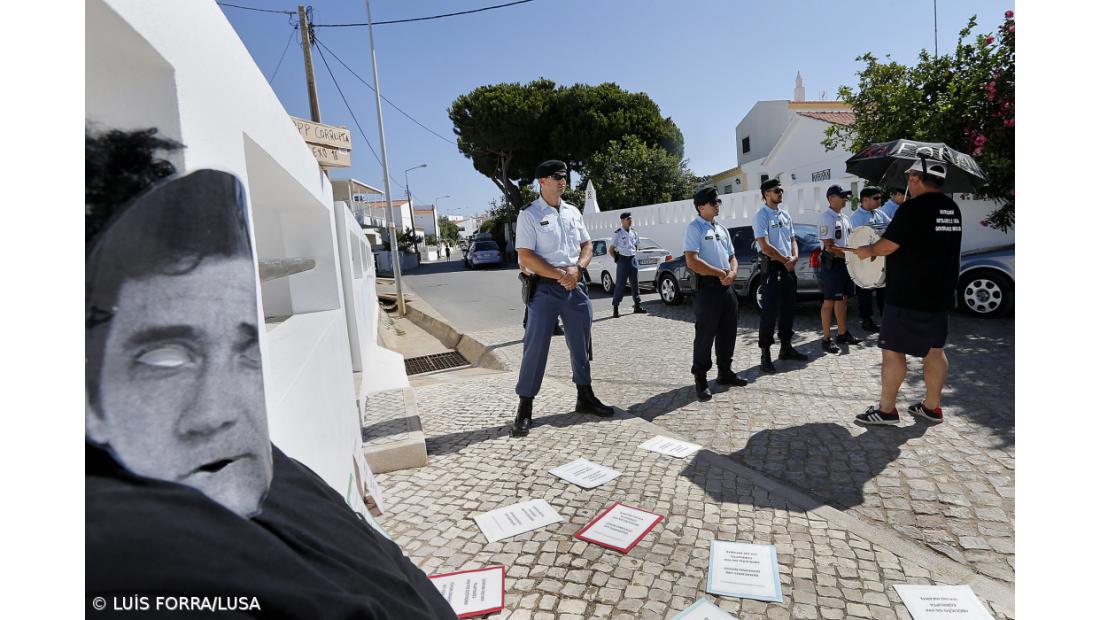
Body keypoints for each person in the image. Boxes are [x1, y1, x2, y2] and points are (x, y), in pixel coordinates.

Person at [85, 129, 457, 618]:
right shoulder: (128, 557)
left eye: (243, 350)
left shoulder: (249, 467)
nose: (221, 409)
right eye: (166, 357)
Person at [849, 159, 962, 426]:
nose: (907, 181)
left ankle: (887, 410)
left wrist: (868, 251)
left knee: (892, 351)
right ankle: (932, 407)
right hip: (942, 293)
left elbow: (887, 246)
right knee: (935, 350)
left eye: (910, 176)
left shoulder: (912, 208)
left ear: (915, 180)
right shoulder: (952, 208)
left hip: (908, 295)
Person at [511, 160, 614, 437]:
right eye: (557, 176)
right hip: (545, 288)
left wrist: (579, 268)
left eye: (565, 176)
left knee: (581, 344)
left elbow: (587, 245)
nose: (563, 180)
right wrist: (560, 274)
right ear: (542, 181)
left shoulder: (572, 211)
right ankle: (525, 407)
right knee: (535, 347)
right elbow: (526, 255)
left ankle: (585, 396)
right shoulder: (530, 214)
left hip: (575, 287)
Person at [683, 187, 748, 401]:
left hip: (726, 285)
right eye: (713, 202)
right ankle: (700, 379)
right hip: (708, 287)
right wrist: (720, 272)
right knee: (705, 335)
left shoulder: (721, 229)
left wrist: (733, 271)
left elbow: (732, 256)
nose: (717, 205)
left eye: (718, 201)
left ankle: (725, 372)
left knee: (728, 330)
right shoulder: (695, 229)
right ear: (701, 207)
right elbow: (692, 261)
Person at [752, 178, 808, 373]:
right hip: (773, 268)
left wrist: (795, 256)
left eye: (781, 190)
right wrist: (786, 260)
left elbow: (792, 238)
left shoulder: (785, 214)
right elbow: (765, 246)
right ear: (766, 194)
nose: (780, 193)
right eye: (777, 190)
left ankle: (786, 348)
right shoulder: (761, 215)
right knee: (769, 313)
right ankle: (765, 354)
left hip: (788, 267)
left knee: (788, 309)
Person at [817, 185, 862, 353]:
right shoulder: (825, 218)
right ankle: (826, 338)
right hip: (832, 264)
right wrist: (851, 256)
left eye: (845, 196)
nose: (845, 199)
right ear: (831, 199)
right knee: (829, 301)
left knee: (843, 299)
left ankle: (842, 333)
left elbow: (849, 241)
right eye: (842, 196)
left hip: (844, 264)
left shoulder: (845, 218)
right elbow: (829, 246)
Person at [849, 186, 892, 333]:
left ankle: (886, 318)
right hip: (865, 259)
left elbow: (891, 227)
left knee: (883, 289)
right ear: (865, 200)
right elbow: (857, 239)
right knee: (865, 289)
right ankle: (866, 320)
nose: (879, 201)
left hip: (881, 258)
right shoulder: (856, 218)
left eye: (879, 198)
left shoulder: (880, 214)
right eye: (876, 198)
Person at [609, 211, 647, 318]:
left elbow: (636, 245)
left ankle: (637, 306)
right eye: (628, 219)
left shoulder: (634, 232)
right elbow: (611, 249)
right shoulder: (618, 233)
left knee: (635, 283)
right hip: (623, 260)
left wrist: (634, 254)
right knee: (620, 285)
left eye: (631, 219)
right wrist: (617, 259)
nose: (630, 221)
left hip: (632, 260)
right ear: (622, 221)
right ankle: (616, 308)